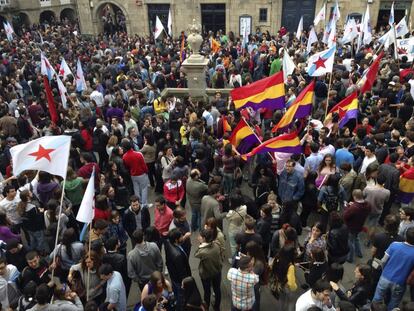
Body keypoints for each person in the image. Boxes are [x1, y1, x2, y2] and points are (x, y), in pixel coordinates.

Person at [372, 227, 414, 310]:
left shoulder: (395, 244)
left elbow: (383, 261)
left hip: (385, 277)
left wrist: (385, 270)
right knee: (394, 302)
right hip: (400, 282)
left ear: (405, 236)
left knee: (377, 299)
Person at [194, 228, 222, 311]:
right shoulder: (217, 244)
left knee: (207, 292)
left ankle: (206, 308)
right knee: (217, 289)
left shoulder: (202, 251)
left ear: (204, 239)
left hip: (206, 274)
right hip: (217, 271)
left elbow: (196, 254)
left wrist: (201, 244)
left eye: (200, 236)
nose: (199, 237)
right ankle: (217, 307)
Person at [164, 228, 191, 309]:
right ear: (176, 240)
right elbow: (182, 271)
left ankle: (175, 301)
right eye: (181, 236)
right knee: (181, 297)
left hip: (173, 274)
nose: (182, 237)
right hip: (179, 280)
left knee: (175, 291)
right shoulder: (178, 256)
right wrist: (186, 281)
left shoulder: (168, 242)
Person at [344, 190, 371, 263]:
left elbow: (346, 216)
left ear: (354, 197)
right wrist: (353, 204)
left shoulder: (354, 207)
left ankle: (350, 257)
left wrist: (347, 207)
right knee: (356, 239)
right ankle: (359, 253)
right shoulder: (368, 205)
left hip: (351, 226)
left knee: (350, 242)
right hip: (360, 225)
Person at [269, 244, 297, 311]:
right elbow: (291, 283)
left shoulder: (277, 259)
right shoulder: (290, 267)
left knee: (281, 300)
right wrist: (294, 287)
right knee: (291, 301)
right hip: (287, 287)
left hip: (279, 284)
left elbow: (272, 268)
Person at [122, 140, 149, 207]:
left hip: (133, 175)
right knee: (144, 189)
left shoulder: (124, 156)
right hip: (142, 174)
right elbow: (144, 165)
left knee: (136, 189)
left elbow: (126, 166)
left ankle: (138, 203)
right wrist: (146, 171)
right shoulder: (138, 154)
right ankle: (144, 204)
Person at [226, 191, 247, 257]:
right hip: (242, 228)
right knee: (241, 244)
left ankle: (234, 259)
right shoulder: (244, 208)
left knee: (233, 246)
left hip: (233, 229)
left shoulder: (230, 213)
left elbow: (227, 218)